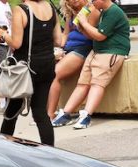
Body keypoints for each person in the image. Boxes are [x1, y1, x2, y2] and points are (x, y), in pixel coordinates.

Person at [52, 0, 130, 129]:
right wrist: (80, 26)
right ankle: (66, 113)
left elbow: (100, 36)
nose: (91, 2)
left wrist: (83, 21)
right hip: (97, 51)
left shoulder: (114, 12)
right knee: (82, 83)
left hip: (112, 52)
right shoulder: (104, 11)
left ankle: (86, 115)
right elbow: (91, 35)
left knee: (97, 84)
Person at [0, 0, 62, 146]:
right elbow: (58, 40)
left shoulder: (20, 10)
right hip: (47, 65)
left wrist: (3, 34)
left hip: (25, 69)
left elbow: (16, 43)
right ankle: (50, 150)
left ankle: (2, 146)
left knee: (12, 110)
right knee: (40, 112)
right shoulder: (50, 7)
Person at [47, 0, 99, 119]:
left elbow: (91, 36)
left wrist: (81, 21)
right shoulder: (71, 12)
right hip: (68, 48)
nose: (73, 0)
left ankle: (49, 114)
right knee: (44, 71)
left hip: (83, 48)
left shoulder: (92, 11)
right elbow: (65, 33)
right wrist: (60, 48)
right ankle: (46, 112)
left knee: (54, 74)